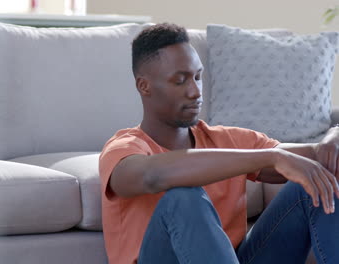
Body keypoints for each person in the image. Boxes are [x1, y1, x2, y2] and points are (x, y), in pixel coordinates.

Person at [98, 23, 339, 264]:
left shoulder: (227, 139)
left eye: (197, 77)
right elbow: (153, 176)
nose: (195, 91)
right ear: (144, 86)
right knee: (183, 196)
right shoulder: (123, 148)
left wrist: (333, 137)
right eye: (180, 81)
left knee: (317, 179)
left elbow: (317, 155)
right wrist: (270, 157)